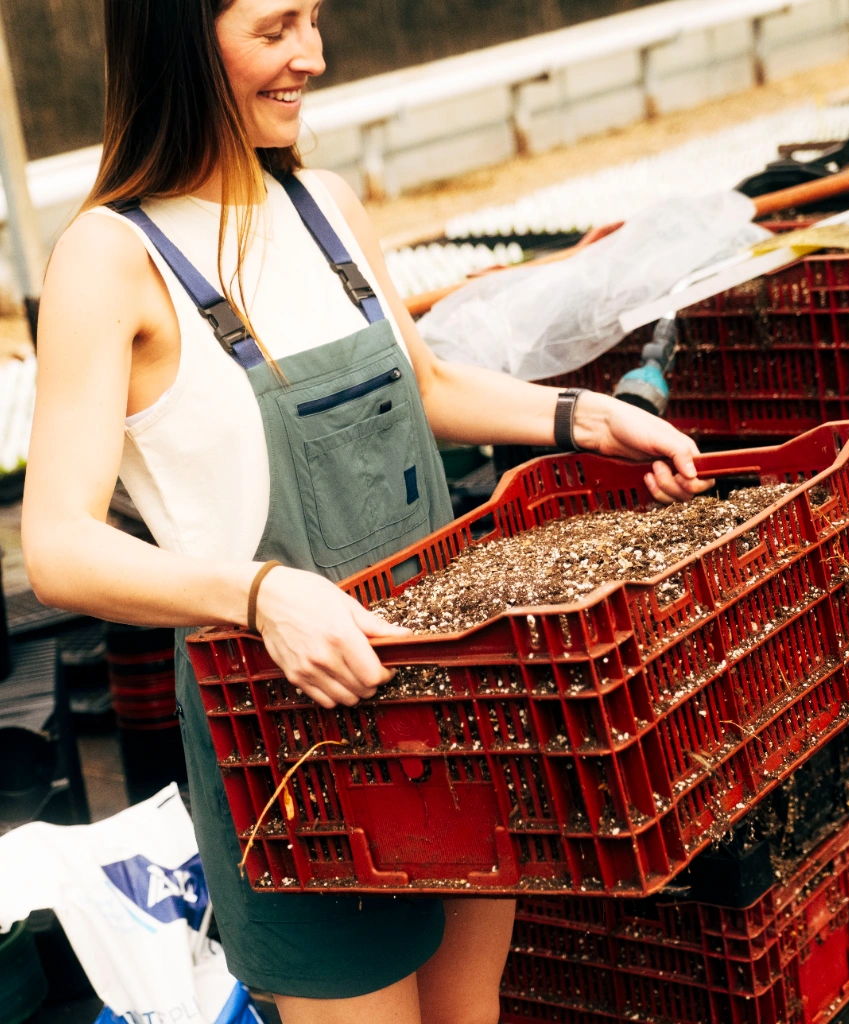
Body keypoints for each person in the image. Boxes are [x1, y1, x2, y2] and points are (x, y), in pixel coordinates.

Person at [21, 0, 714, 1021]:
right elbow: (56, 547)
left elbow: (424, 386)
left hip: (449, 696)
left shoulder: (323, 205)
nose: (312, 54)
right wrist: (258, 594)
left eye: (312, 19)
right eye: (274, 29)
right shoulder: (108, 256)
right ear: (177, 38)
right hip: (290, 750)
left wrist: (584, 419)